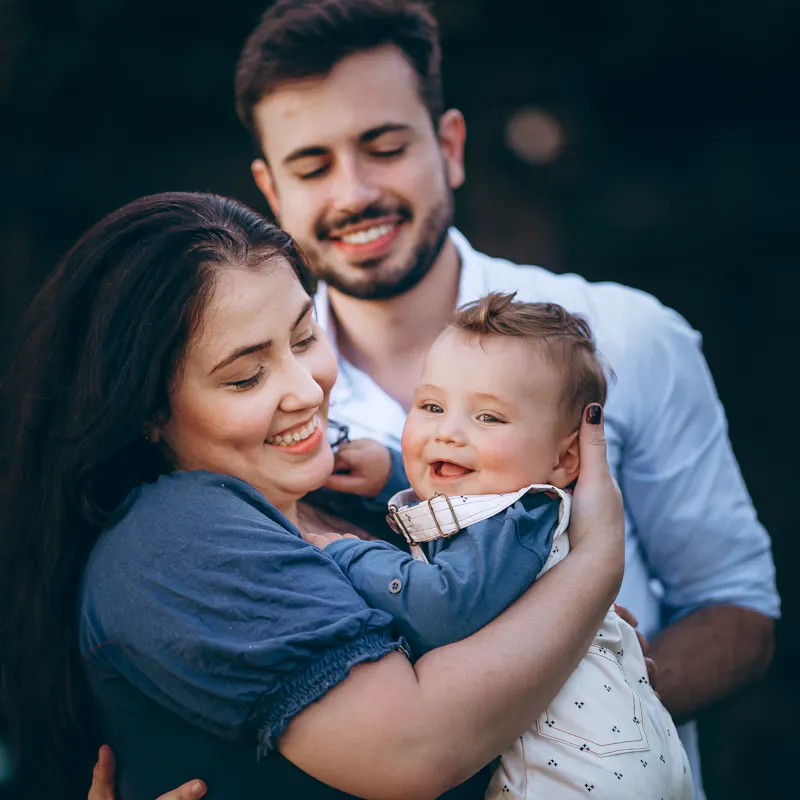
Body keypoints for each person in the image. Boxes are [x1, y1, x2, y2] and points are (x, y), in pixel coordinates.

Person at [0, 192, 625, 800]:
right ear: (147, 410)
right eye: (246, 376)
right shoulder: (172, 534)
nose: (306, 389)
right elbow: (411, 749)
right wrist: (594, 565)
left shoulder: (359, 495)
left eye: (303, 338)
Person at [313, 293, 694, 799]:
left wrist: (345, 551)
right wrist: (392, 470)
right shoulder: (518, 516)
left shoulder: (519, 519)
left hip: (577, 778)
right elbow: (460, 503)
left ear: (564, 461)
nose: (447, 432)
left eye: (489, 418)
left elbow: (443, 605)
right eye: (430, 406)